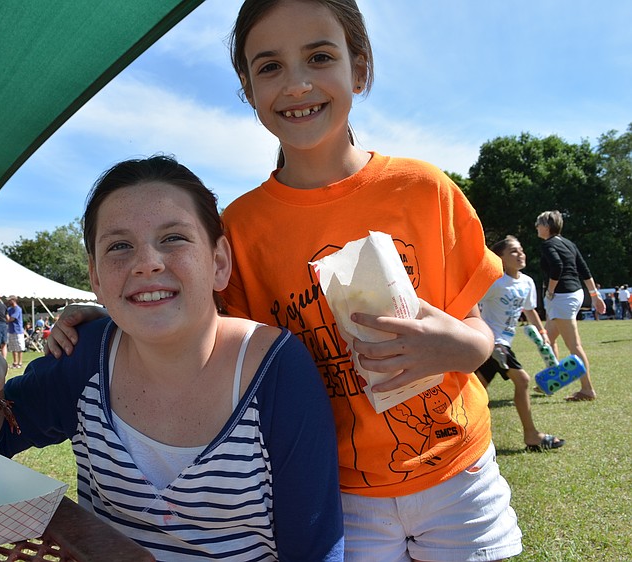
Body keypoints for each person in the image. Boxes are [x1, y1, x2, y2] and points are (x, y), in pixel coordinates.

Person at [50, 2, 520, 560]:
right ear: (248, 90)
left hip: (459, 473)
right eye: (269, 67)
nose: (296, 83)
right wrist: (116, 316)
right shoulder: (240, 228)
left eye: (320, 56)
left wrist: (461, 345)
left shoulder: (424, 189)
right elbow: (199, 325)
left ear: (360, 69)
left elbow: (479, 322)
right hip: (339, 495)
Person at [0, 156, 344, 560]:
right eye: (119, 246)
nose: (146, 263)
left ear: (218, 262)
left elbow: (313, 551)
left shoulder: (278, 371)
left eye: (173, 238)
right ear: (96, 278)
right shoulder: (84, 357)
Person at [476, 236, 564, 451]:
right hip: (493, 343)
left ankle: (456, 433)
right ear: (501, 259)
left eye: (521, 250)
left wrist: (542, 331)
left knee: (476, 388)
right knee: (523, 380)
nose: (520, 254)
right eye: (514, 251)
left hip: (503, 342)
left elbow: (529, 310)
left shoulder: (527, 282)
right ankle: (532, 436)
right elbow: (472, 304)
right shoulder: (493, 281)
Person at [536, 210, 605, 402]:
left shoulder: (548, 245)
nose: (536, 227)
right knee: (548, 340)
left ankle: (587, 390)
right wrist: (595, 296)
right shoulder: (569, 243)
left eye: (538, 224)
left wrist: (549, 291)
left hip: (562, 297)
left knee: (574, 345)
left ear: (547, 226)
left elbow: (557, 267)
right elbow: (583, 268)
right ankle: (551, 380)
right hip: (574, 294)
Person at [5, 296, 25, 368]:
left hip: (18, 330)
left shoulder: (17, 309)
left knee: (19, 347)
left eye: (10, 300)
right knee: (13, 347)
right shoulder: (9, 309)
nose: (8, 302)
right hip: (11, 330)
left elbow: (11, 319)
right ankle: (15, 362)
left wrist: (6, 317)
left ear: (14, 300)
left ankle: (20, 362)